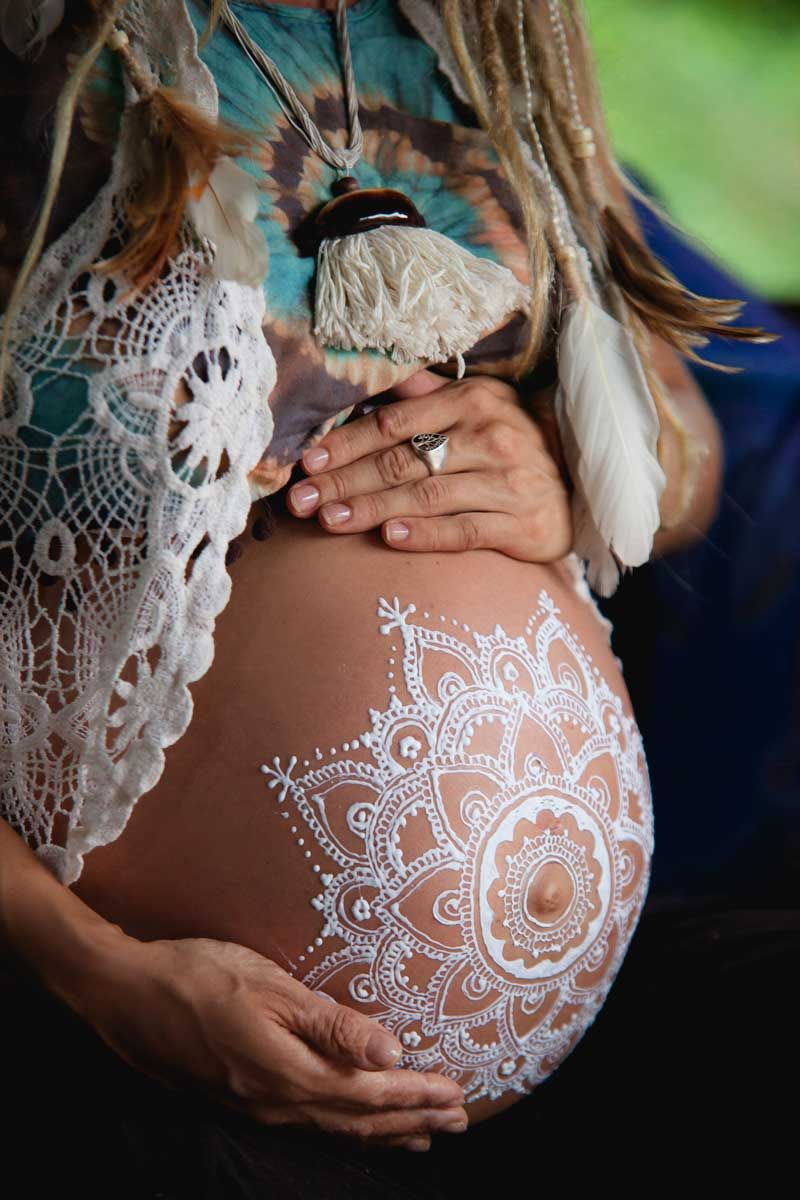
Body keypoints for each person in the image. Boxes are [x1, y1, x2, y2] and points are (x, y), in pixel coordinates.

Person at [0, 1, 779, 1194]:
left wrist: (563, 469)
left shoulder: (484, 40)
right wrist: (99, 977)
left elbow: (679, 431)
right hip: (142, 1031)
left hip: (555, 1060)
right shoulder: (43, 72)